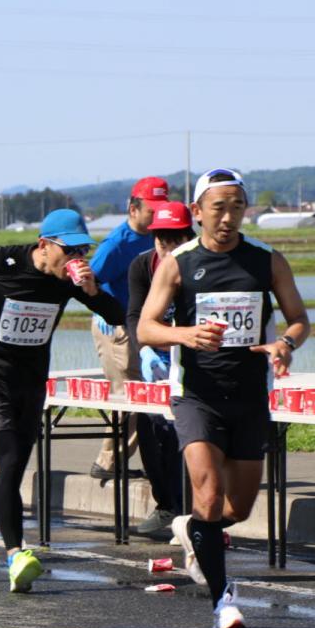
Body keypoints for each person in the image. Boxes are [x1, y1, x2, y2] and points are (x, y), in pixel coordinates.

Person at [138, 168, 309, 628]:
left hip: (250, 395)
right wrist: (185, 335)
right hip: (197, 396)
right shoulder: (179, 263)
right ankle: (223, 602)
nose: (228, 217)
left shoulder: (267, 261)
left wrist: (285, 344)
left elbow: (299, 319)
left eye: (237, 207)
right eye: (218, 207)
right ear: (197, 212)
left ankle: (193, 529)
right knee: (209, 496)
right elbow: (146, 328)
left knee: (238, 510)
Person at [0, 208, 125, 591]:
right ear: (44, 245)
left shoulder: (70, 280)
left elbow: (118, 315)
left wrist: (93, 292)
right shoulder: (0, 261)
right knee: (8, 461)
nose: (76, 259)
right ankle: (16, 555)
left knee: (14, 467)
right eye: (69, 251)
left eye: (82, 251)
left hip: (31, 382)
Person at [88, 176, 169, 483]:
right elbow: (88, 284)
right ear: (133, 209)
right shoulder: (117, 245)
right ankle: (109, 461)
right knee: (129, 396)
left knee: (145, 394)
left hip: (145, 326)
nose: (157, 215)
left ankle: (128, 460)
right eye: (151, 210)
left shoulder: (159, 236)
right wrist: (105, 312)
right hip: (117, 328)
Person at [126, 202, 194, 535]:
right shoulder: (142, 266)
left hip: (193, 358)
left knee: (188, 431)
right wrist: (145, 350)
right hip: (157, 358)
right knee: (151, 428)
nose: (167, 251)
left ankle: (191, 512)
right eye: (161, 242)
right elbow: (134, 315)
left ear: (189, 238)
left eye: (175, 242)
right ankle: (167, 505)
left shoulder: (200, 265)